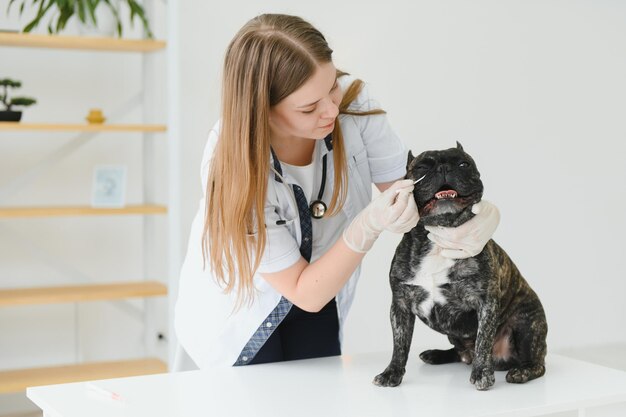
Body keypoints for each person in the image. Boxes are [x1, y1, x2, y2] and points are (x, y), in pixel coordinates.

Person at [174, 13, 500, 369]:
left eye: (331, 86)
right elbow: (303, 291)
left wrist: (470, 215)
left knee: (319, 396)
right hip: (242, 310)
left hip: (323, 293)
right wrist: (366, 227)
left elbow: (409, 195)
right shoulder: (232, 164)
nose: (332, 109)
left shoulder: (355, 106)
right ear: (263, 111)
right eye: (308, 107)